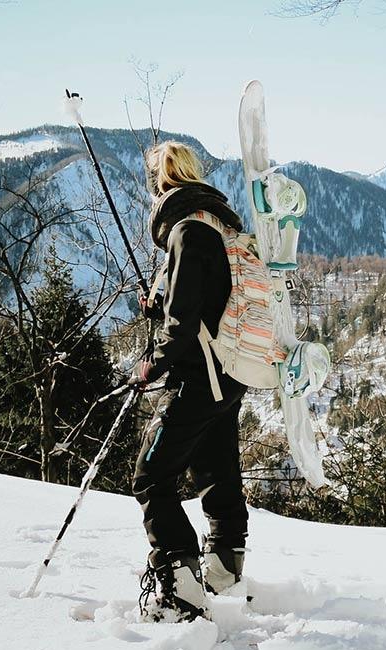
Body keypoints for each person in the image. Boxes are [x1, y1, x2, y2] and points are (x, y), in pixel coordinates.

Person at [129, 141, 249, 621]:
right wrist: (158, 307)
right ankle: (226, 571)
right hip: (229, 372)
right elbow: (204, 301)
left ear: (159, 184)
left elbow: (182, 325)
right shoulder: (217, 223)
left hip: (200, 378)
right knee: (216, 470)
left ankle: (180, 593)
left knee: (151, 476)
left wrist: (151, 364)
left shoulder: (186, 231)